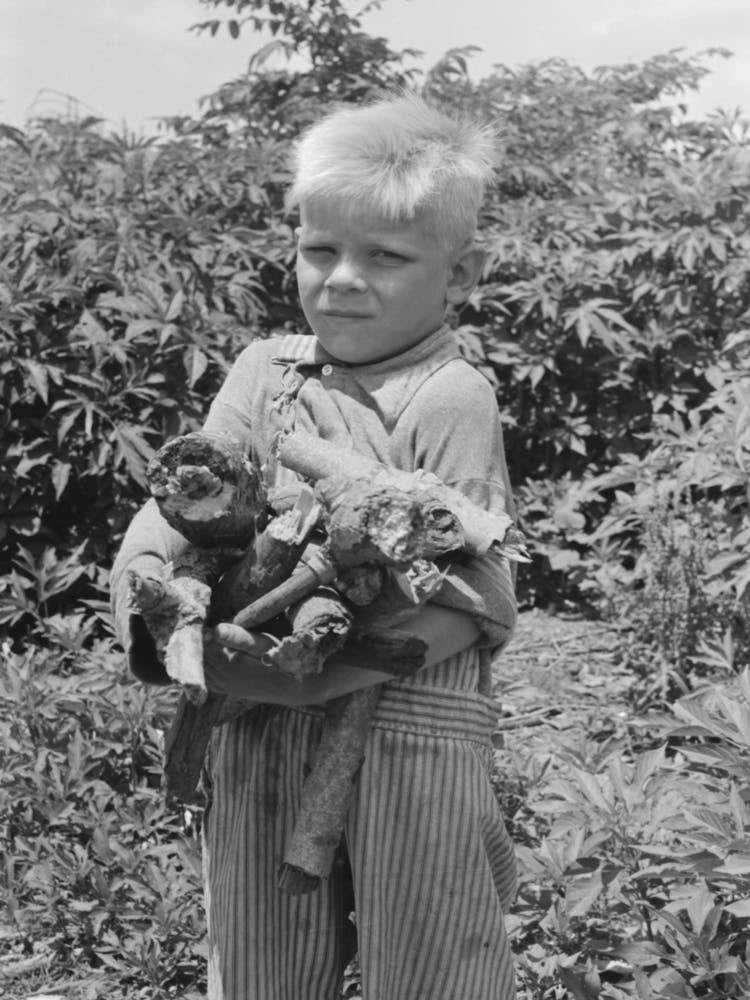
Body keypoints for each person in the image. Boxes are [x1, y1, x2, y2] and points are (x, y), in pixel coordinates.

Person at [110, 91, 519, 1000]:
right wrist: (148, 587)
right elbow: (179, 502)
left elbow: (476, 594)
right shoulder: (268, 374)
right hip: (255, 715)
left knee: (436, 962)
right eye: (320, 249)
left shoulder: (449, 396)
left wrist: (323, 675)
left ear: (461, 273)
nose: (341, 278)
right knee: (260, 965)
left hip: (408, 723)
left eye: (386, 256)